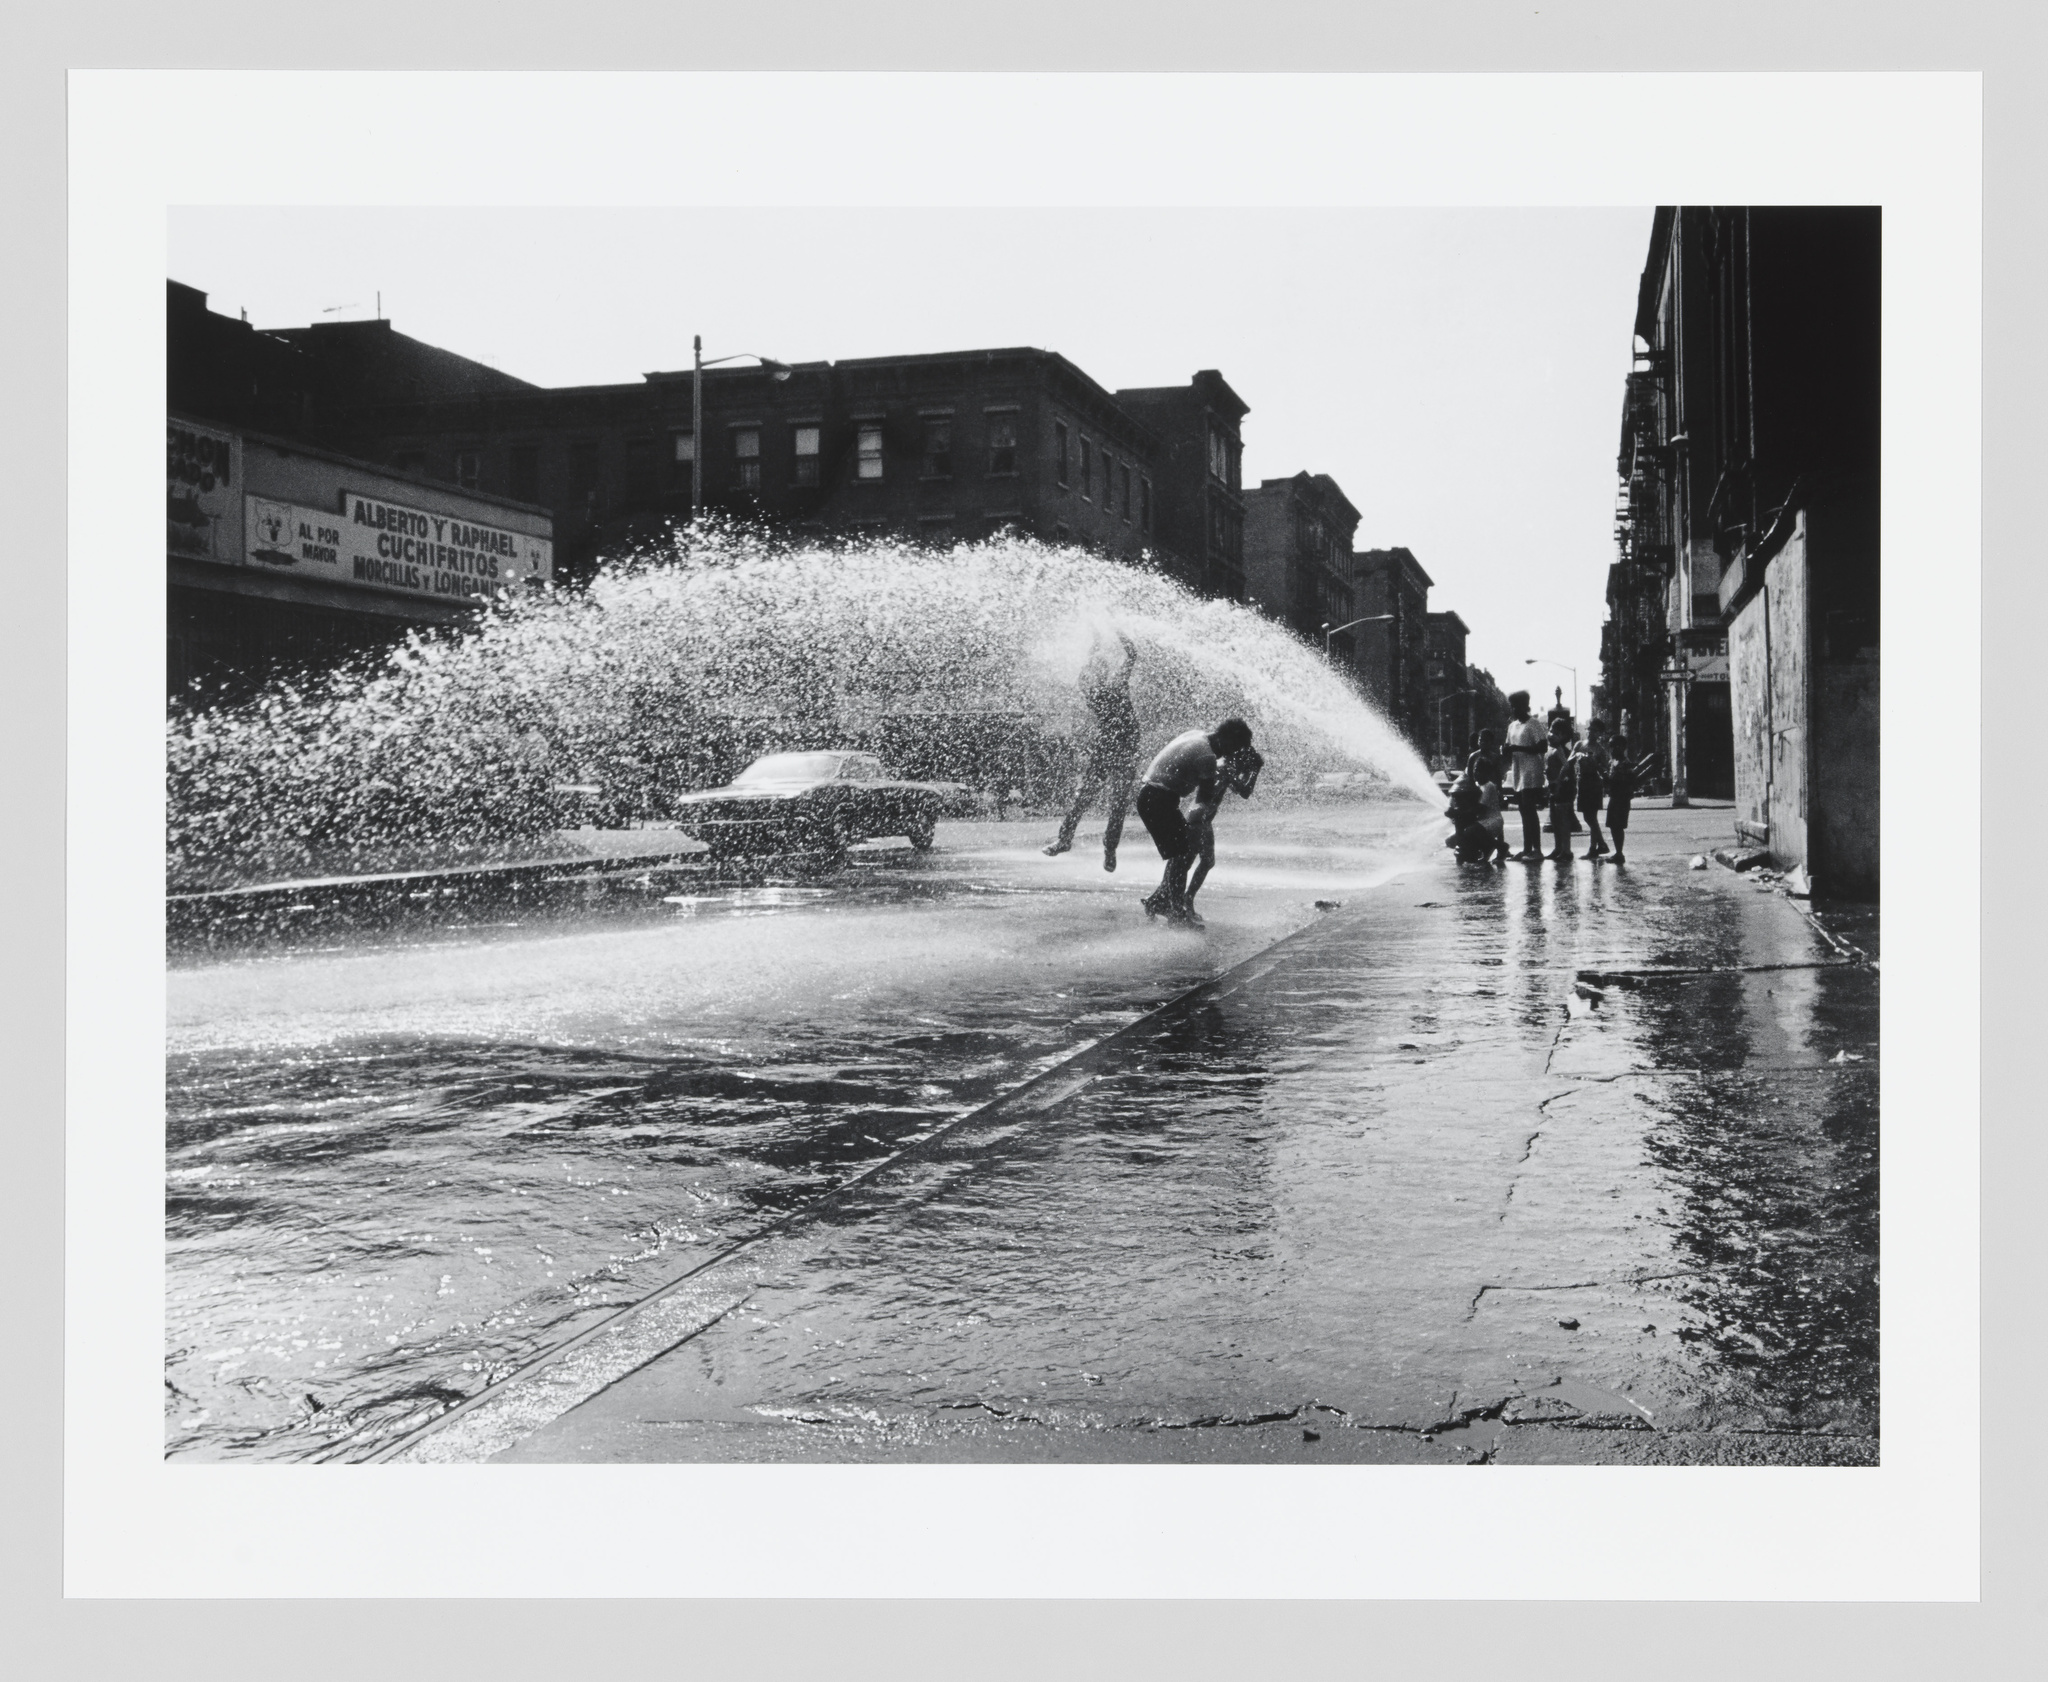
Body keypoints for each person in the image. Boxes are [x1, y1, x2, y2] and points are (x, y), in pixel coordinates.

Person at [1136, 717, 1256, 926]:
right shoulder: (1207, 757)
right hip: (1158, 799)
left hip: (1153, 796)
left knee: (1179, 855)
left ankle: (1164, 903)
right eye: (1234, 748)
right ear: (1226, 739)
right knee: (1181, 857)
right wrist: (1197, 828)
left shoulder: (1196, 735)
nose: (1231, 754)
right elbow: (1203, 800)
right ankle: (1175, 913)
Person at [1044, 629, 1141, 870]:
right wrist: (1097, 640)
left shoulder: (1117, 682)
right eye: (1092, 669)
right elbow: (1099, 659)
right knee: (1083, 798)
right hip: (1106, 749)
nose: (1092, 672)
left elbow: (1131, 653)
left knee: (1117, 804)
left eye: (1097, 669)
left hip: (1125, 751)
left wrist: (1115, 629)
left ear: (1103, 672)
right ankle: (1065, 840)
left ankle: (1109, 849)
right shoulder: (1090, 689)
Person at [1179, 746, 1263, 921]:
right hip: (1198, 820)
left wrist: (1249, 773)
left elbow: (1243, 790)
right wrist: (1254, 772)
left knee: (1198, 862)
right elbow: (1242, 790)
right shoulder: (1223, 769)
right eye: (1246, 768)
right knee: (1189, 864)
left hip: (1201, 819)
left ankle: (1175, 899)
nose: (1244, 772)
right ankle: (1178, 901)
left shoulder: (1226, 768)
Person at [1502, 691, 1547, 860]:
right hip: (1517, 772)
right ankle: (1527, 849)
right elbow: (1508, 745)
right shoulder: (1512, 726)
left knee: (1529, 810)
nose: (1513, 709)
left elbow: (1542, 746)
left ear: (1524, 706)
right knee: (1523, 811)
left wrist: (1518, 749)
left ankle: (1537, 849)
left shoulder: (1533, 724)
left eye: (1515, 706)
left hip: (1531, 772)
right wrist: (1506, 750)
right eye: (1511, 706)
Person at [1543, 716, 1578, 863]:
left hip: (1563, 787)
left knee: (1563, 820)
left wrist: (1559, 781)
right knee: (1556, 820)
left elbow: (1567, 767)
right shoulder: (1551, 750)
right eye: (1550, 730)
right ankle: (1558, 848)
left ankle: (1566, 850)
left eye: (1554, 732)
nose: (1550, 734)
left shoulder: (1562, 751)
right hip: (1553, 787)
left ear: (1562, 735)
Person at [1575, 719, 1611, 861]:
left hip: (1594, 782)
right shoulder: (1579, 745)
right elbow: (1570, 760)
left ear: (1599, 734)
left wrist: (1595, 764)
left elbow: (1605, 769)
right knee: (1587, 816)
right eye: (1590, 729)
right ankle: (1598, 846)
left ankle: (1595, 847)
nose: (1591, 732)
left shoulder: (1600, 750)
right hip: (1582, 781)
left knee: (1591, 817)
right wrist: (1578, 757)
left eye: (1595, 730)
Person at [1443, 771, 1494, 863]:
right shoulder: (1474, 786)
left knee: (1469, 832)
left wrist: (1458, 813)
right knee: (1449, 841)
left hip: (1487, 821)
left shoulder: (1487, 786)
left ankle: (1494, 846)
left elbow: (1480, 809)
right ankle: (1477, 849)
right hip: (1476, 822)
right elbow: (1451, 805)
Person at [1605, 731, 1639, 865]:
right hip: (1614, 797)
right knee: (1614, 826)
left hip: (1621, 798)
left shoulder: (1624, 763)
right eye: (1611, 746)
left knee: (1617, 826)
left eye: (1614, 746)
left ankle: (1619, 853)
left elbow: (1626, 781)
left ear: (1622, 747)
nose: (1612, 749)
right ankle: (1618, 852)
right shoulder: (1613, 762)